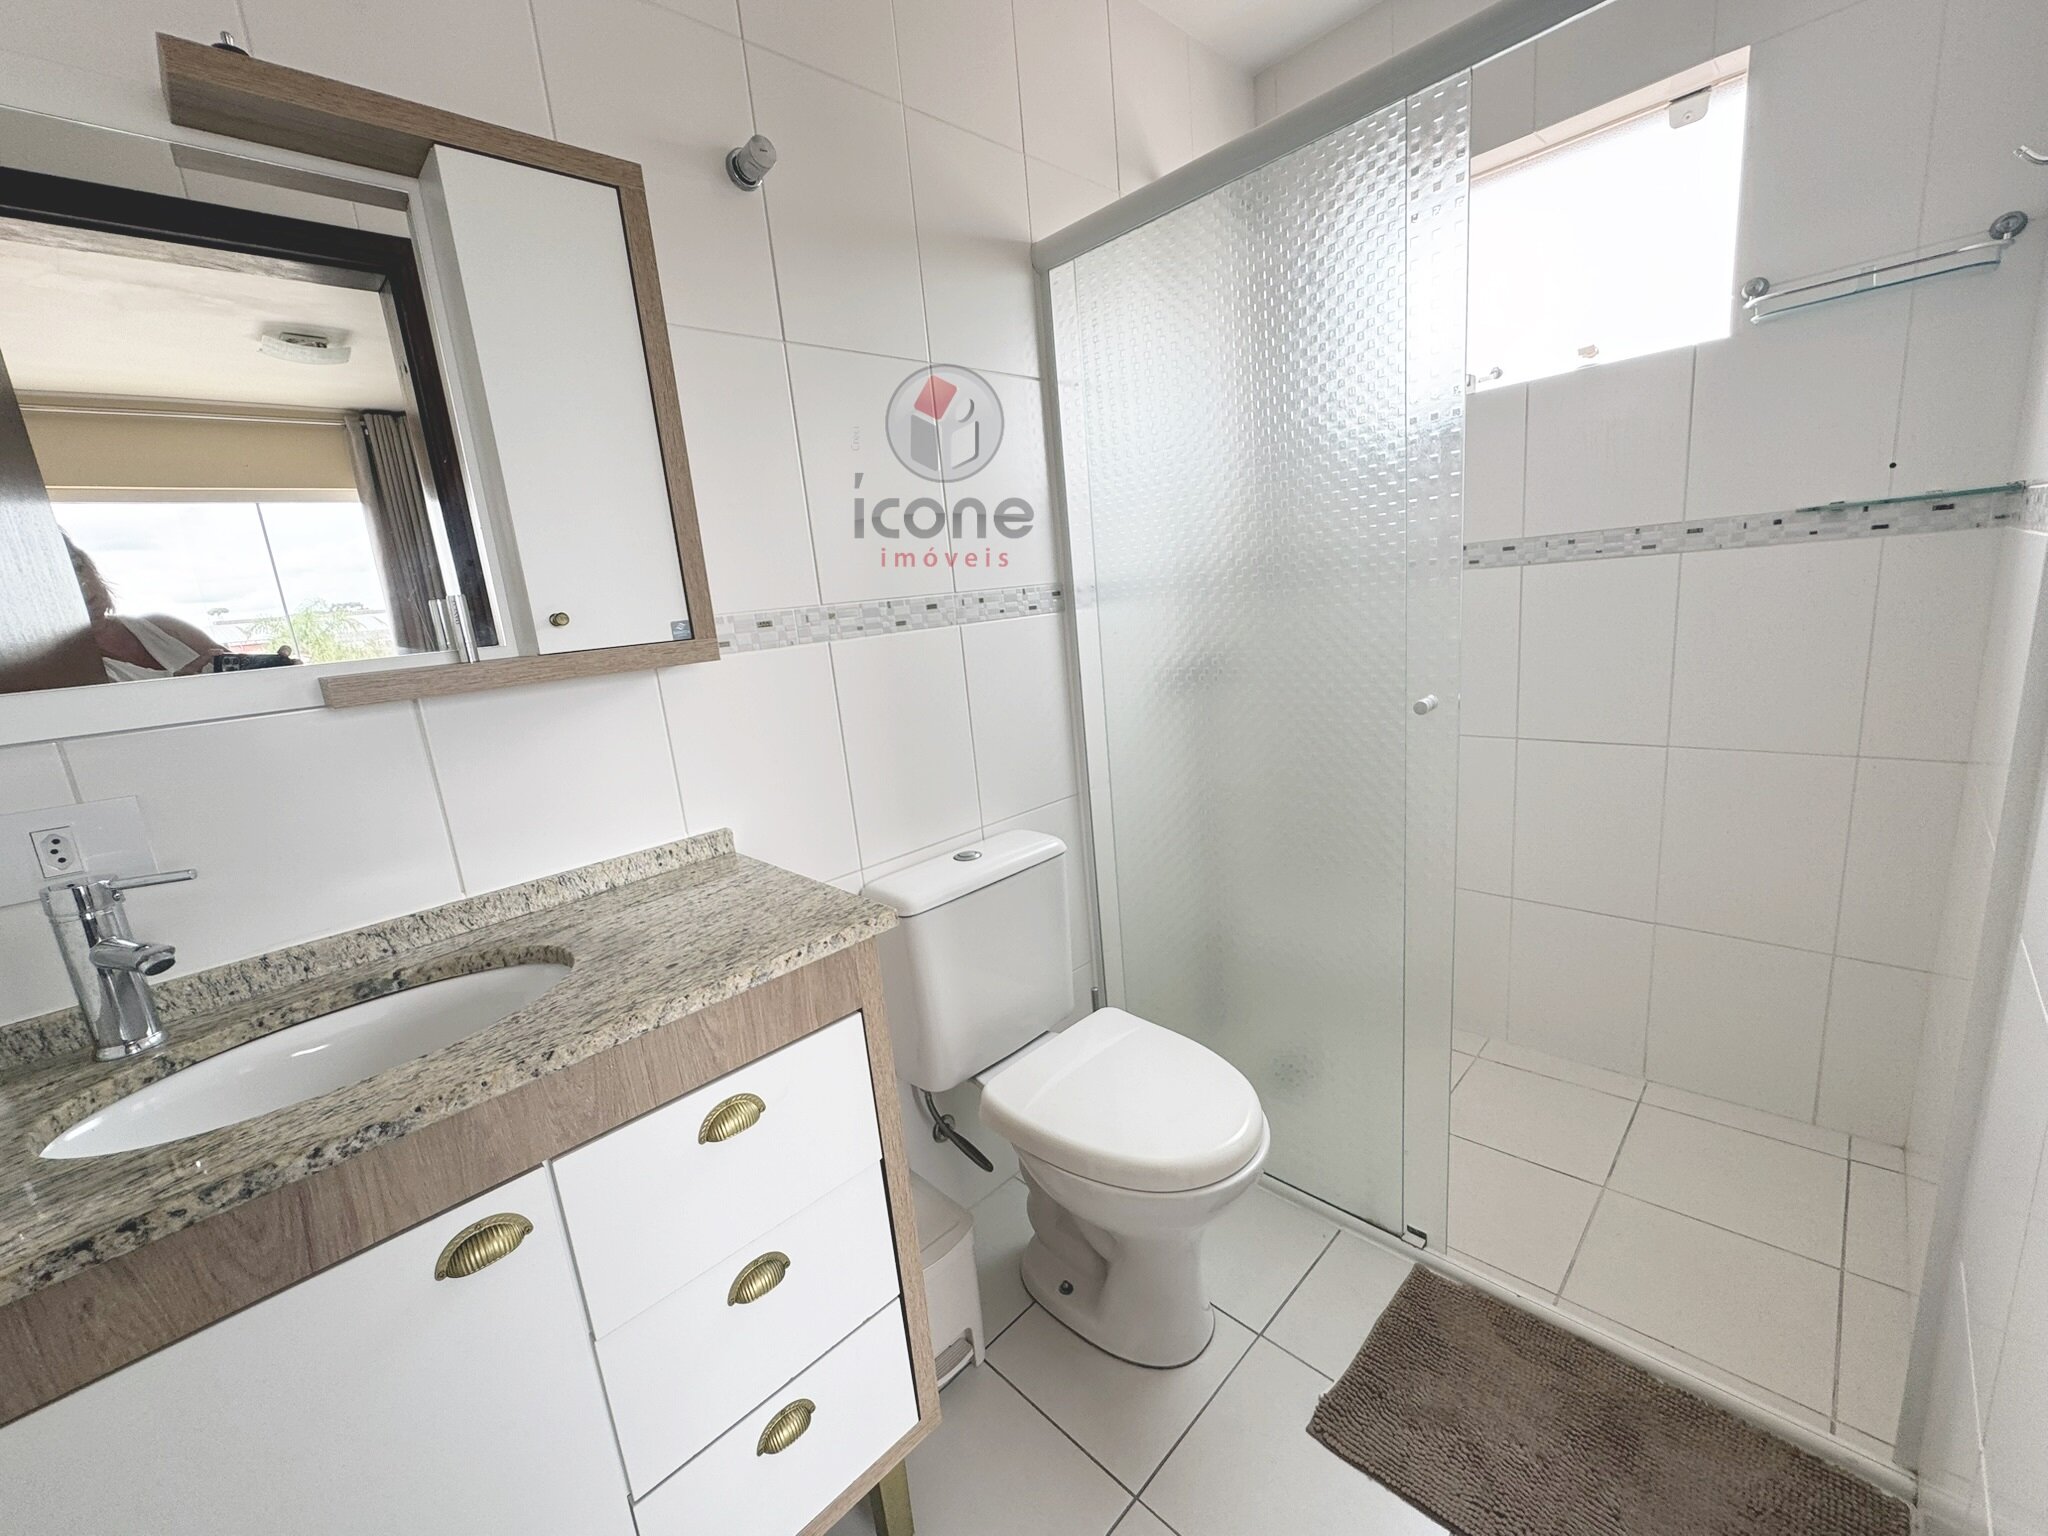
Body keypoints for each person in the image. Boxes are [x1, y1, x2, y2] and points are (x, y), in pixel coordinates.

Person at [64, 534, 238, 681]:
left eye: (78, 567)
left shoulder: (161, 626)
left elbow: (245, 670)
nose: (83, 586)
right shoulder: (68, 666)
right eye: (64, 578)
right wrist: (180, 690)